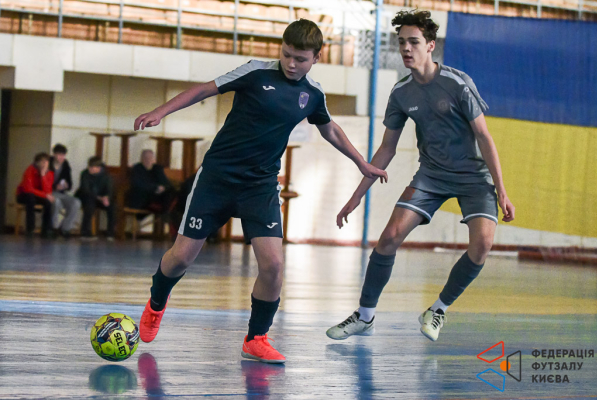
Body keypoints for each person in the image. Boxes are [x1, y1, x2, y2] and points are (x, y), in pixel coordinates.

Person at [133, 19, 387, 363]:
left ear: (316, 58)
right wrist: (160, 111)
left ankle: (256, 339)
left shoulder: (313, 95)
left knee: (273, 266)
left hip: (260, 186)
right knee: (181, 257)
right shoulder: (256, 72)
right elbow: (204, 90)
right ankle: (156, 304)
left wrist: (361, 162)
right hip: (217, 179)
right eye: (286, 54)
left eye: (300, 59)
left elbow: (330, 130)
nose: (291, 64)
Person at [326, 10, 515, 342]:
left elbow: (484, 137)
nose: (406, 48)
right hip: (431, 176)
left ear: (430, 46)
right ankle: (365, 316)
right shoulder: (401, 93)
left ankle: (438, 309)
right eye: (401, 42)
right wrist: (356, 196)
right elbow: (386, 149)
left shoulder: (458, 83)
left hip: (474, 178)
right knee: (389, 237)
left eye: (413, 42)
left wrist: (501, 190)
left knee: (483, 243)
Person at [75, 156, 116, 241]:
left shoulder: (106, 176)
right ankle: (85, 232)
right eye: (89, 167)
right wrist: (99, 198)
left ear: (99, 168)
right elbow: (86, 190)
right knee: (89, 205)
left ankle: (110, 233)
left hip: (100, 198)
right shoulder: (85, 174)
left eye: (92, 167)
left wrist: (106, 198)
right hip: (87, 197)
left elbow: (109, 190)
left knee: (112, 207)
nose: (90, 169)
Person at [16, 153, 55, 238]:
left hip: (37, 195)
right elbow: (28, 189)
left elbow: (47, 191)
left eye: (46, 161)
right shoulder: (30, 170)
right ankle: (30, 229)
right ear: (37, 163)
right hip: (23, 195)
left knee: (48, 203)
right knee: (30, 198)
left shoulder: (50, 173)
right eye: (42, 161)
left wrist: (43, 176)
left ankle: (46, 230)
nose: (45, 164)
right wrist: (45, 195)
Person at [50, 144, 81, 239]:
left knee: (76, 202)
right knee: (56, 202)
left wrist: (67, 185)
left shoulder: (66, 165)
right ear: (54, 154)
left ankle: (65, 228)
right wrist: (55, 187)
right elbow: (43, 182)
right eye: (59, 155)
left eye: (63, 155)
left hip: (61, 193)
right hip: (49, 192)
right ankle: (53, 228)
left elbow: (70, 183)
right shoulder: (48, 163)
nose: (61, 157)